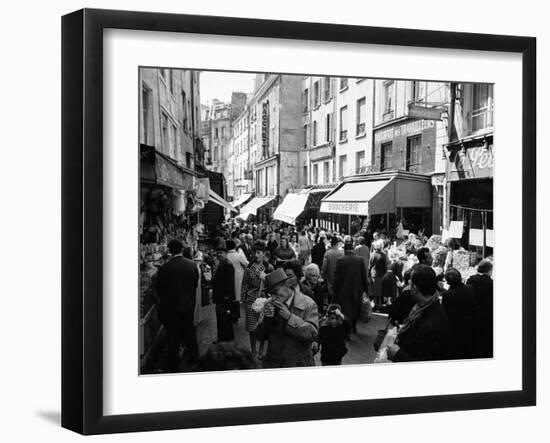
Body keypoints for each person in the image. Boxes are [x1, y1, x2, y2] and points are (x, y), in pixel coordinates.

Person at [254, 268, 319, 368]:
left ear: (287, 285)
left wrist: (289, 317)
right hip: (273, 363)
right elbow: (260, 336)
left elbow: (312, 334)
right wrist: (266, 320)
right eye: (271, 294)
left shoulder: (308, 304)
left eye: (276, 292)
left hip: (298, 363)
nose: (273, 297)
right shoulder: (270, 303)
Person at [387, 265, 451, 362]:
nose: (408, 286)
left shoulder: (433, 323)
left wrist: (397, 355)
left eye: (410, 283)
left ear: (415, 288)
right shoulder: (422, 307)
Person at [155, 239, 200, 370]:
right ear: (181, 249)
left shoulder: (165, 268)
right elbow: (194, 284)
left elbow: (160, 289)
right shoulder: (192, 265)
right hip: (188, 305)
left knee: (173, 336)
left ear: (169, 251)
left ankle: (173, 364)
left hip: (171, 308)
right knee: (189, 332)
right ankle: (194, 357)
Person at [241, 243, 272, 359]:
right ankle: (253, 349)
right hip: (251, 300)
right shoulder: (249, 268)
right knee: (252, 327)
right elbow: (244, 284)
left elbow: (273, 285)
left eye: (259, 252)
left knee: (264, 327)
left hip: (265, 300)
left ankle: (261, 349)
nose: (256, 255)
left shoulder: (269, 267)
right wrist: (243, 300)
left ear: (263, 254)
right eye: (254, 252)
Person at [442, 268, 478, 359]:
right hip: (469, 323)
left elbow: (445, 312)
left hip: (455, 326)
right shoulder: (469, 288)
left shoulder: (447, 295)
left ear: (448, 281)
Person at [333, 241, 368, 333]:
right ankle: (354, 326)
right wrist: (366, 290)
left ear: (345, 250)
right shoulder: (360, 260)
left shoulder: (340, 260)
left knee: (346, 310)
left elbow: (336, 278)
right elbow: (364, 276)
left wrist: (335, 291)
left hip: (344, 290)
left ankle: (347, 330)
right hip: (357, 289)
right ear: (353, 249)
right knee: (355, 308)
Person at [467, 259, 494, 358]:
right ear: (489, 271)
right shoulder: (492, 284)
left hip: (473, 313)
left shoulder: (471, 279)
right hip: (487, 314)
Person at [212, 246, 236, 342]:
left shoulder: (227, 265)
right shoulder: (222, 263)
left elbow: (230, 283)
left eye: (221, 252)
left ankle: (225, 339)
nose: (219, 254)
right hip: (221, 297)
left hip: (224, 297)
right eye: (218, 253)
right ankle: (224, 338)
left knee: (224, 319)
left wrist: (227, 297)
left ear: (226, 254)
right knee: (222, 319)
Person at [321, 236, 344, 302]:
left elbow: (324, 266)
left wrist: (323, 275)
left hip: (330, 276)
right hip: (340, 277)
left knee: (330, 294)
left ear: (331, 244)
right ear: (337, 244)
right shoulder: (342, 253)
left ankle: (330, 307)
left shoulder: (327, 253)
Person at [226, 239, 248, 303]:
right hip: (238, 274)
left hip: (228, 275)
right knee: (238, 288)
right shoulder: (238, 255)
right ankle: (238, 300)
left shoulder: (226, 256)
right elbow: (246, 263)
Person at [369, 240, 388, 310]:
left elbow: (369, 266)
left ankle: (375, 304)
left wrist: (369, 275)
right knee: (380, 291)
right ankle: (379, 304)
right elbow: (385, 266)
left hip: (373, 274)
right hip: (381, 274)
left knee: (374, 290)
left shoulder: (372, 255)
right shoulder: (383, 255)